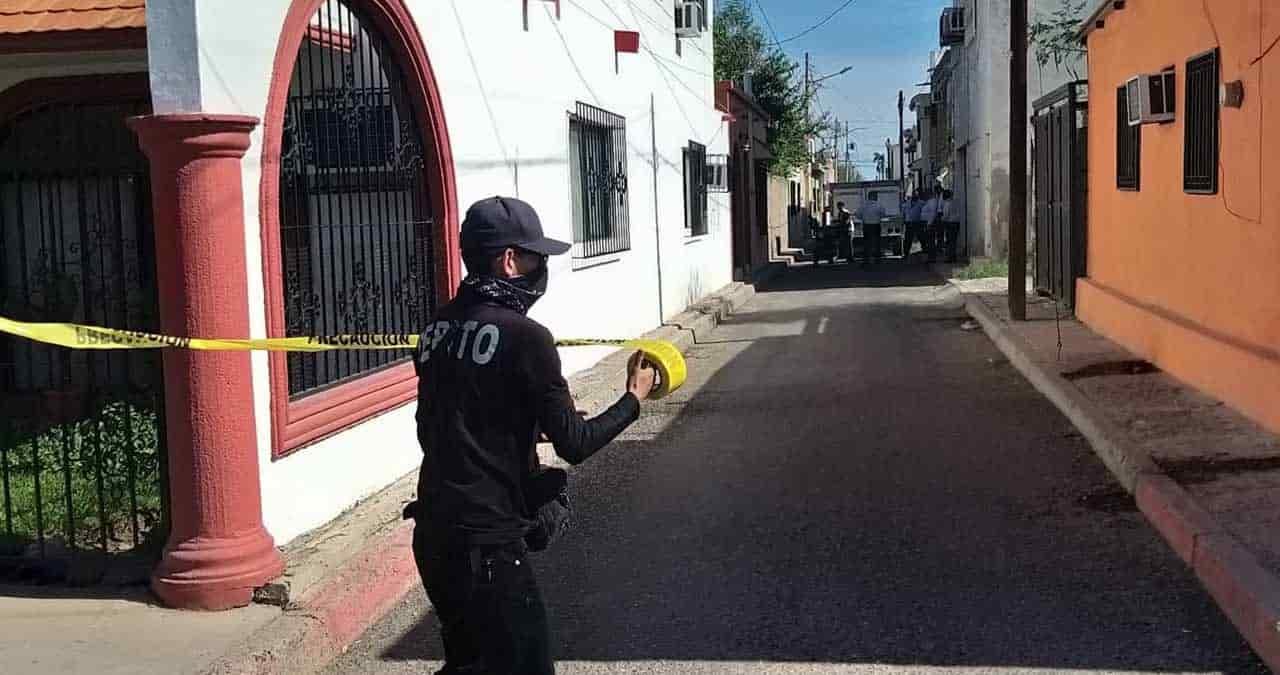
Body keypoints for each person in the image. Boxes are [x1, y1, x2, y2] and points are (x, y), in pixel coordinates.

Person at [409, 196, 657, 675]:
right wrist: (633, 398)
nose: (542, 267)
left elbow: (448, 421)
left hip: (434, 535)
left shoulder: (436, 327)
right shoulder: (527, 337)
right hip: (489, 546)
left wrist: (524, 427)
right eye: (535, 257)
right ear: (508, 260)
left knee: (468, 661)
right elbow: (576, 444)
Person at [855, 191, 886, 265]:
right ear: (874, 196)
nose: (877, 197)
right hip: (876, 225)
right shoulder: (879, 205)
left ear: (868, 197)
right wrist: (877, 217)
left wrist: (863, 218)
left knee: (866, 243)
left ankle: (866, 259)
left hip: (866, 225)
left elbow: (857, 215)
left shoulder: (863, 205)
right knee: (877, 242)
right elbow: (883, 214)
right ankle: (877, 259)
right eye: (876, 196)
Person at [901, 192, 925, 263]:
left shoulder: (921, 203)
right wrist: (903, 221)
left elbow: (924, 212)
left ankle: (925, 252)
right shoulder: (906, 203)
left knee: (921, 237)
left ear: (918, 196)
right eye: (913, 195)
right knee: (907, 239)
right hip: (909, 223)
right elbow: (903, 213)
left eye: (916, 195)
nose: (914, 196)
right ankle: (905, 254)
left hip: (917, 223)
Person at [920, 188, 942, 263]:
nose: (924, 195)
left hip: (930, 224)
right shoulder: (929, 201)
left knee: (930, 241)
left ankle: (932, 258)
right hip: (928, 223)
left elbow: (933, 214)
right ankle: (930, 257)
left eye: (926, 194)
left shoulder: (932, 202)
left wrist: (929, 224)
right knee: (929, 241)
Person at [940, 189, 961, 263]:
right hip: (957, 223)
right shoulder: (956, 202)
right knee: (954, 241)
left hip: (950, 223)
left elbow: (946, 215)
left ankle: (950, 258)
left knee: (949, 241)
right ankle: (953, 256)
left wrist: (941, 220)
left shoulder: (947, 203)